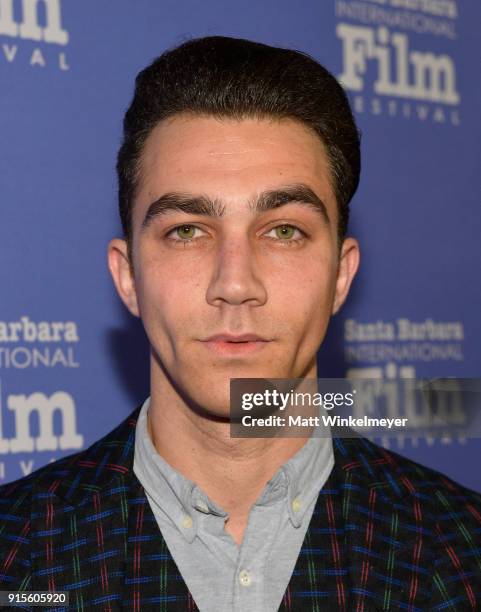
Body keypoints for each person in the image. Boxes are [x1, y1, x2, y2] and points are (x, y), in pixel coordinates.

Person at [0, 35, 480, 611]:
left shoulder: (465, 551)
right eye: (186, 230)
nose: (235, 283)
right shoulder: (14, 550)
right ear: (128, 277)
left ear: (341, 276)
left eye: (283, 230)